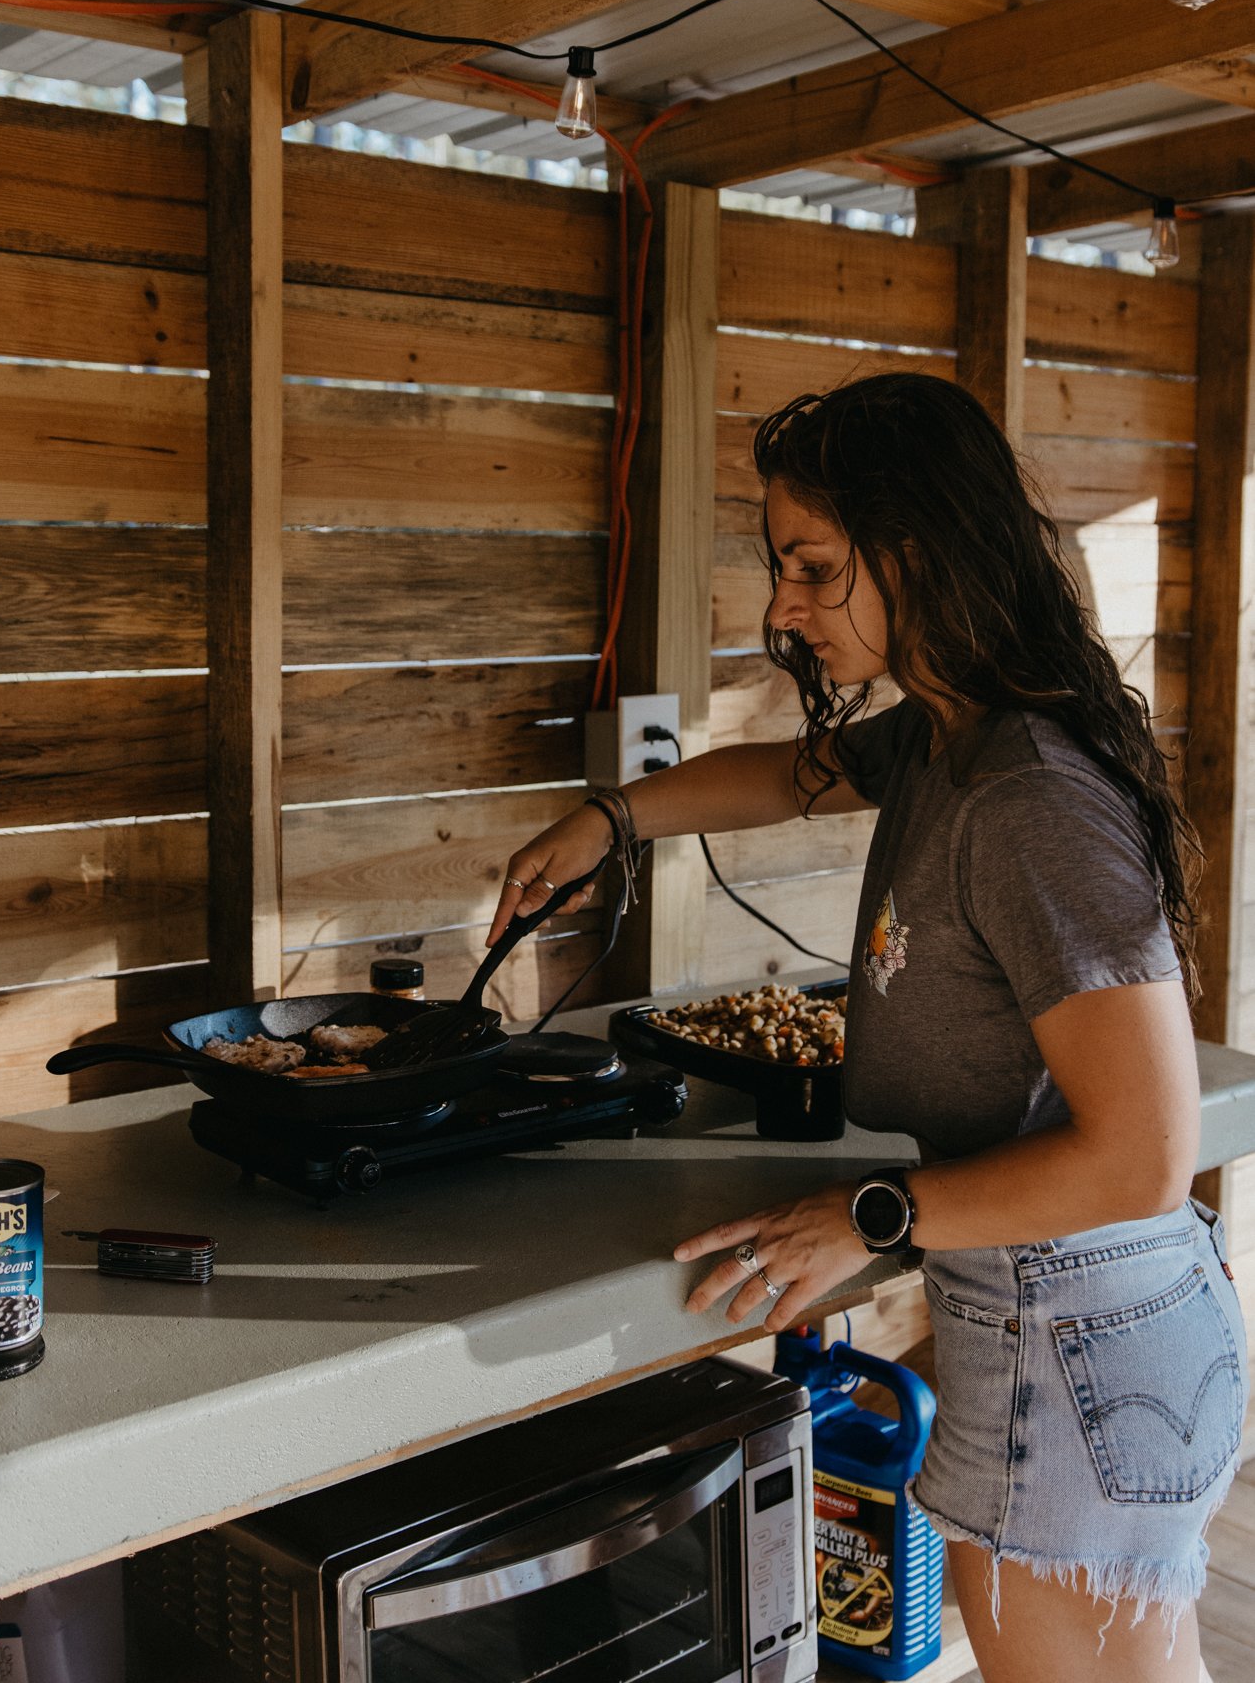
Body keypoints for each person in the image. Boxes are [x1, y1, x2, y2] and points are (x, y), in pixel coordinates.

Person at [485, 373, 1247, 1682]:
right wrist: (607, 820)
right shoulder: (953, 736)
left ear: (918, 548)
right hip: (1074, 1336)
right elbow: (785, 776)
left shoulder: (1025, 798)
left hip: (1069, 1348)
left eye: (812, 566)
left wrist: (867, 1217)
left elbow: (1137, 1156)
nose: (781, 606)